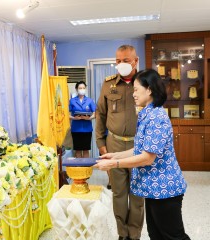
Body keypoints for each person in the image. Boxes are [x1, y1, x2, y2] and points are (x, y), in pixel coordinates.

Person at [94, 69, 190, 240]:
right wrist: (114, 156)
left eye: (137, 89)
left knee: (174, 236)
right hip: (154, 189)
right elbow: (140, 149)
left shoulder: (157, 117)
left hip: (165, 190)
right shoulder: (147, 113)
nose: (133, 94)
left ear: (150, 89)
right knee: (156, 235)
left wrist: (113, 165)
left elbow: (147, 158)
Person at [95, 45, 144, 240]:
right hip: (113, 144)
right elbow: (100, 114)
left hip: (139, 147)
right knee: (119, 194)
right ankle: (122, 234)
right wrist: (101, 144)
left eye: (126, 60)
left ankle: (135, 235)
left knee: (138, 196)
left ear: (135, 60)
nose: (121, 64)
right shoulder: (108, 84)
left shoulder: (145, 83)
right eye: (118, 61)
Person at [69, 81, 96, 158]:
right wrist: (74, 118)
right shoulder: (72, 101)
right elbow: (66, 115)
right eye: (80, 88)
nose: (82, 89)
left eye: (83, 88)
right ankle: (79, 168)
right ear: (77, 89)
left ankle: (85, 168)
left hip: (87, 129)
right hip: (76, 129)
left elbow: (95, 114)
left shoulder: (90, 101)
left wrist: (89, 118)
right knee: (77, 150)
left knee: (86, 150)